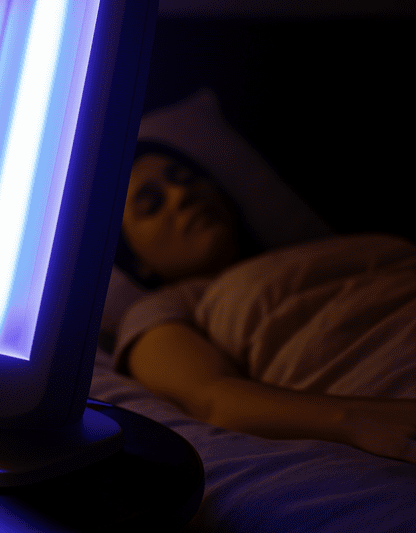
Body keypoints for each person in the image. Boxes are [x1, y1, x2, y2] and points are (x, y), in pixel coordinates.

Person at [115, 144, 416, 465]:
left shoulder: (328, 248)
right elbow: (212, 399)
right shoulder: (165, 306)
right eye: (151, 205)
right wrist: (363, 420)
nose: (181, 194)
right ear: (138, 263)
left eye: (187, 178)